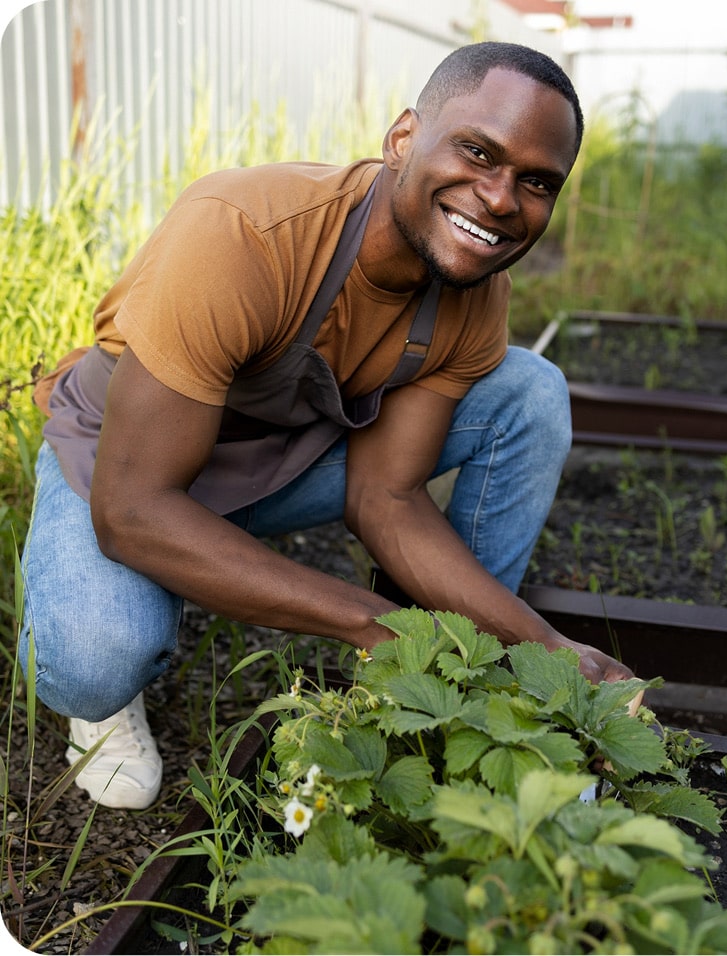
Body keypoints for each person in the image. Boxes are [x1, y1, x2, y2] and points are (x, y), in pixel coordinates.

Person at [20, 41, 633, 811]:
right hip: (127, 463)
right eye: (478, 152)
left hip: (283, 453)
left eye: (535, 182)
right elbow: (133, 510)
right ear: (404, 138)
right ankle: (111, 700)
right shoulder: (244, 232)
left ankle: (451, 675)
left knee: (528, 391)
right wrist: (372, 621)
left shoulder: (474, 288)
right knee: (92, 659)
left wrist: (547, 649)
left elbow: (388, 498)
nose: (501, 199)